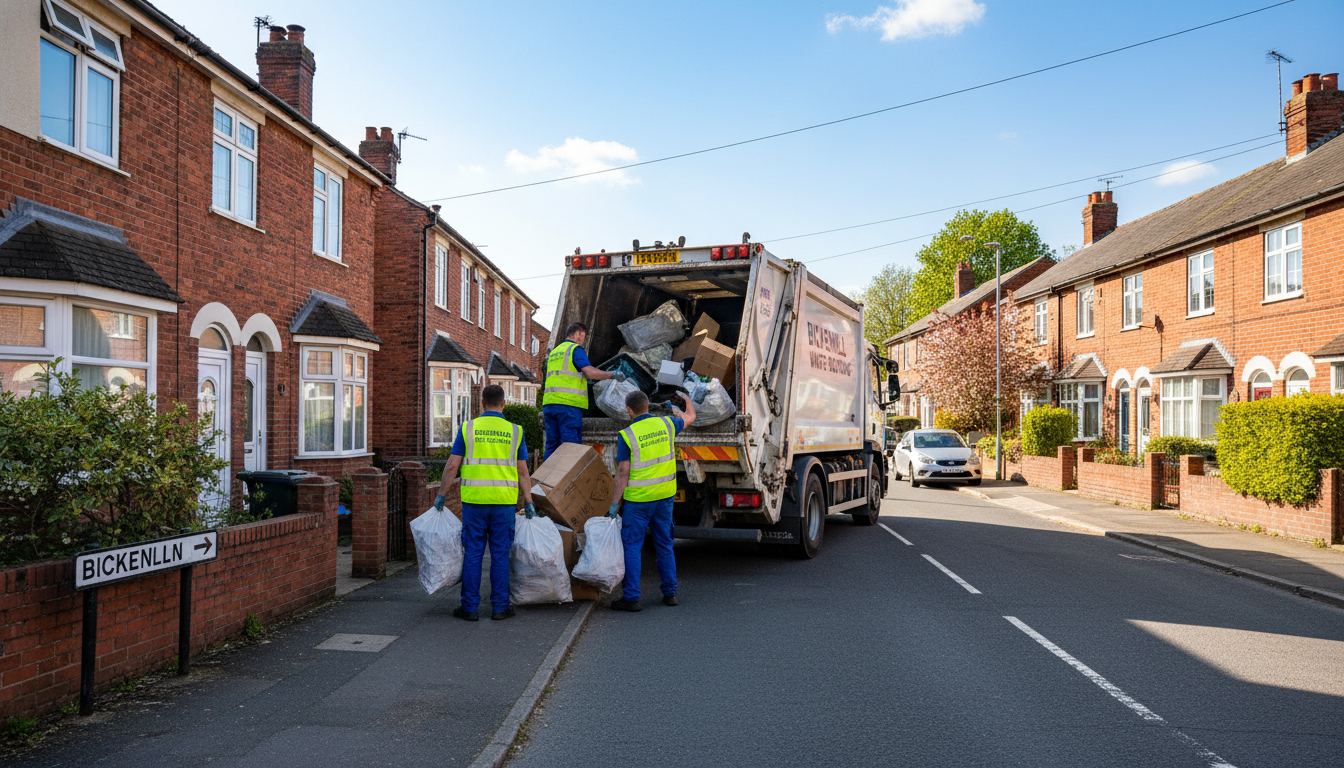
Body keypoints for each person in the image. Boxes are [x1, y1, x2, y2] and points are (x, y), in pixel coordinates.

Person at [435, 384, 536, 622]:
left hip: (474, 503)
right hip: (503, 504)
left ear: (481, 403)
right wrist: (529, 501)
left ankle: (469, 608)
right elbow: (523, 471)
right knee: (500, 555)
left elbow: (452, 465)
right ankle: (500, 607)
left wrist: (441, 495)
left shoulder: (468, 428)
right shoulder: (515, 431)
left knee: (473, 554)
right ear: (504, 404)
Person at [608, 389, 695, 612]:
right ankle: (670, 593)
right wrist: (686, 401)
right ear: (647, 406)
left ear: (629, 410)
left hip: (638, 501)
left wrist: (614, 504)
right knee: (665, 544)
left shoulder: (627, 435)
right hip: (664, 497)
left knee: (632, 547)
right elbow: (691, 417)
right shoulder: (667, 424)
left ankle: (632, 598)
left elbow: (622, 473)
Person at [541, 321, 623, 459]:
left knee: (551, 445)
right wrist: (612, 374)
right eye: (583, 336)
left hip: (549, 405)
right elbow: (589, 372)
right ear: (579, 334)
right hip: (568, 406)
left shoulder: (555, 352)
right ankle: (569, 479)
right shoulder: (575, 349)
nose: (582, 341)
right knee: (571, 447)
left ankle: (547, 479)